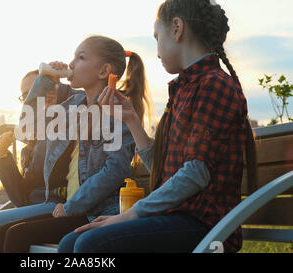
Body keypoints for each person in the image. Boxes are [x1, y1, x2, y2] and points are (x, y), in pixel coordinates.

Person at [58, 0, 257, 253]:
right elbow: (165, 176)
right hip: (177, 217)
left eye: (156, 37)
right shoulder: (184, 90)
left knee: (90, 244)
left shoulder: (214, 85)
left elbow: (195, 174)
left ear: (176, 28)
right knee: (70, 243)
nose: (157, 50)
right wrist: (131, 119)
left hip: (205, 226)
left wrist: (131, 215)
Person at [0, 35, 149, 253]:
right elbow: (27, 128)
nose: (71, 64)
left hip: (93, 209)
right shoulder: (72, 105)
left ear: (103, 71)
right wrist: (45, 79)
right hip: (63, 205)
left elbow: (115, 169)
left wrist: (71, 206)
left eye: (81, 57)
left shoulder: (116, 111)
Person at [0, 70, 80, 207]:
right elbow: (21, 198)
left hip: (55, 207)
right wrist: (1, 158)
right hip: (34, 206)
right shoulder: (30, 146)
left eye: (33, 92)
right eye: (24, 96)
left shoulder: (65, 131)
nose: (27, 100)